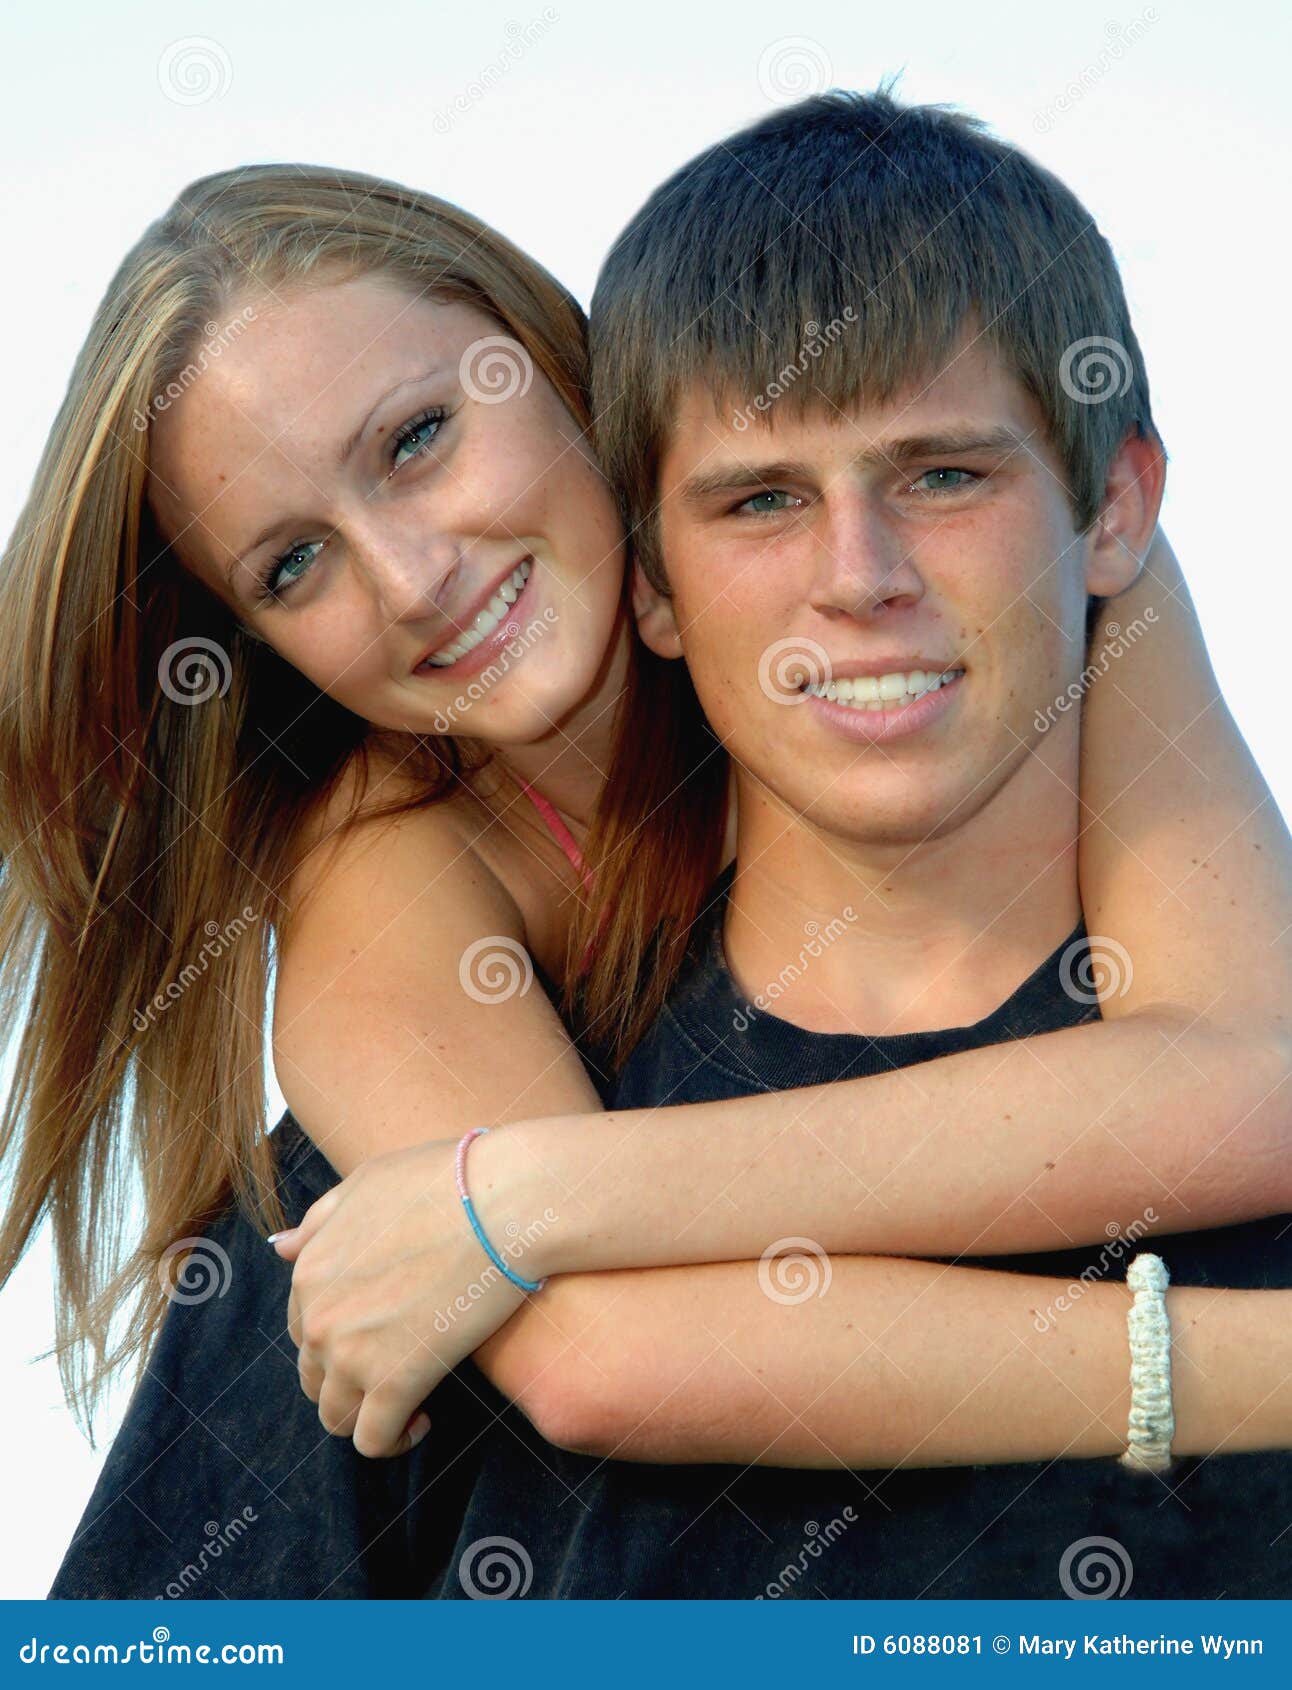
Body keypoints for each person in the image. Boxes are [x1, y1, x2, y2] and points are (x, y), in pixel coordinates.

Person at [14, 108, 1284, 1601]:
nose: (417, 579)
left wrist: (533, 1194)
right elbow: (592, 1358)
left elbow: (1247, 1074)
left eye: (420, 439)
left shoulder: (1044, 557)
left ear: (566, 377)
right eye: (292, 565)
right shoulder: (385, 872)